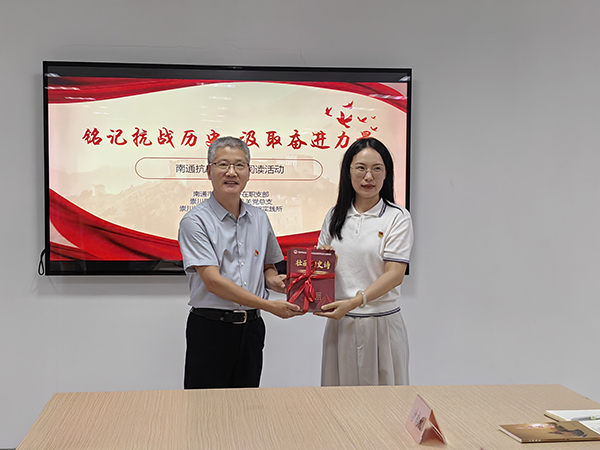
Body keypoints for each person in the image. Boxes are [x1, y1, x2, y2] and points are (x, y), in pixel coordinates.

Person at [178, 136, 301, 389]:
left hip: (252, 329)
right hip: (211, 329)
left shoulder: (259, 218)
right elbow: (213, 282)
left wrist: (274, 281)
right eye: (223, 164)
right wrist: (269, 305)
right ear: (209, 171)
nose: (231, 172)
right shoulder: (195, 221)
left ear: (249, 172)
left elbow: (268, 266)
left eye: (239, 165)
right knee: (205, 407)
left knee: (247, 405)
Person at [316, 137, 414, 386]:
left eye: (377, 169)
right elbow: (319, 272)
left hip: (381, 322)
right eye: (360, 168)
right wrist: (323, 262)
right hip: (341, 323)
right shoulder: (334, 216)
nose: (368, 176)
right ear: (348, 172)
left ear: (386, 174)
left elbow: (394, 274)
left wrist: (355, 301)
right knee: (339, 399)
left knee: (385, 400)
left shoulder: (397, 217)